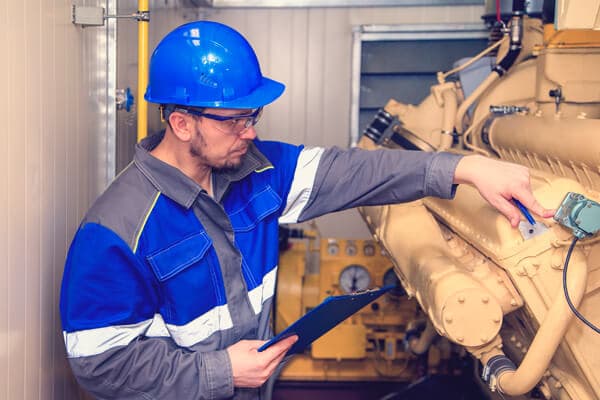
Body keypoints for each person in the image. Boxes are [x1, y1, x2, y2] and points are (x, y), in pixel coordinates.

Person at [60, 20, 554, 400]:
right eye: (236, 121)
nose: (250, 132)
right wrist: (222, 371)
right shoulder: (116, 229)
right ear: (183, 123)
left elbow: (354, 171)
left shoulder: (255, 170)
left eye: (253, 117)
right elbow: (99, 363)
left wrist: (462, 168)